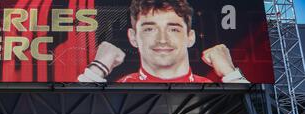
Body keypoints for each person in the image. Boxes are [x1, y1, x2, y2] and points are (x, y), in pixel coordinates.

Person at [78, 0, 249, 84]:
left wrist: (229, 71)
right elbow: (75, 103)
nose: (162, 39)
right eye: (149, 29)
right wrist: (98, 69)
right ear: (133, 37)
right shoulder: (120, 86)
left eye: (173, 29)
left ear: (191, 37)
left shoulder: (209, 87)